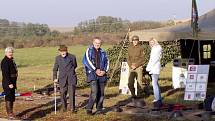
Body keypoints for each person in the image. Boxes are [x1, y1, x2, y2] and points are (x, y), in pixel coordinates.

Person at [82, 37, 109, 115]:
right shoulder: (89, 50)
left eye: (99, 43)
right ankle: (89, 108)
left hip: (102, 75)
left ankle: (99, 109)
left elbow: (107, 62)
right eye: (96, 43)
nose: (97, 44)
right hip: (92, 74)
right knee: (94, 92)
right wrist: (95, 70)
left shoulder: (103, 52)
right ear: (93, 43)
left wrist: (104, 71)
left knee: (101, 93)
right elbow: (86, 61)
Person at [53, 45, 78, 113]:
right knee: (62, 93)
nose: (63, 53)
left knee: (71, 93)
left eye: (64, 51)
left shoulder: (72, 57)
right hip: (62, 79)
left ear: (67, 51)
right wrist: (55, 78)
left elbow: (75, 65)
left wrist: (70, 72)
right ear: (59, 52)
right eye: (61, 51)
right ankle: (64, 107)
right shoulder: (57, 58)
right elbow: (55, 69)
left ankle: (72, 108)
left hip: (71, 78)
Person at [1, 47, 19, 120]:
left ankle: (11, 112)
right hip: (8, 82)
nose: (11, 53)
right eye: (9, 52)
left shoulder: (11, 60)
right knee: (9, 97)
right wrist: (9, 83)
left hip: (13, 82)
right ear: (6, 53)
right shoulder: (5, 61)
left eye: (11, 52)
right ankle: (10, 114)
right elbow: (5, 74)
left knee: (12, 97)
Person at [146, 38, 163, 108]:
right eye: (150, 43)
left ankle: (157, 99)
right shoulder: (155, 49)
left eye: (152, 42)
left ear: (155, 42)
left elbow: (154, 60)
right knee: (156, 83)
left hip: (155, 68)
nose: (151, 44)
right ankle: (159, 98)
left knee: (154, 83)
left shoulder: (156, 49)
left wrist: (149, 68)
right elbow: (152, 59)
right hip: (154, 68)